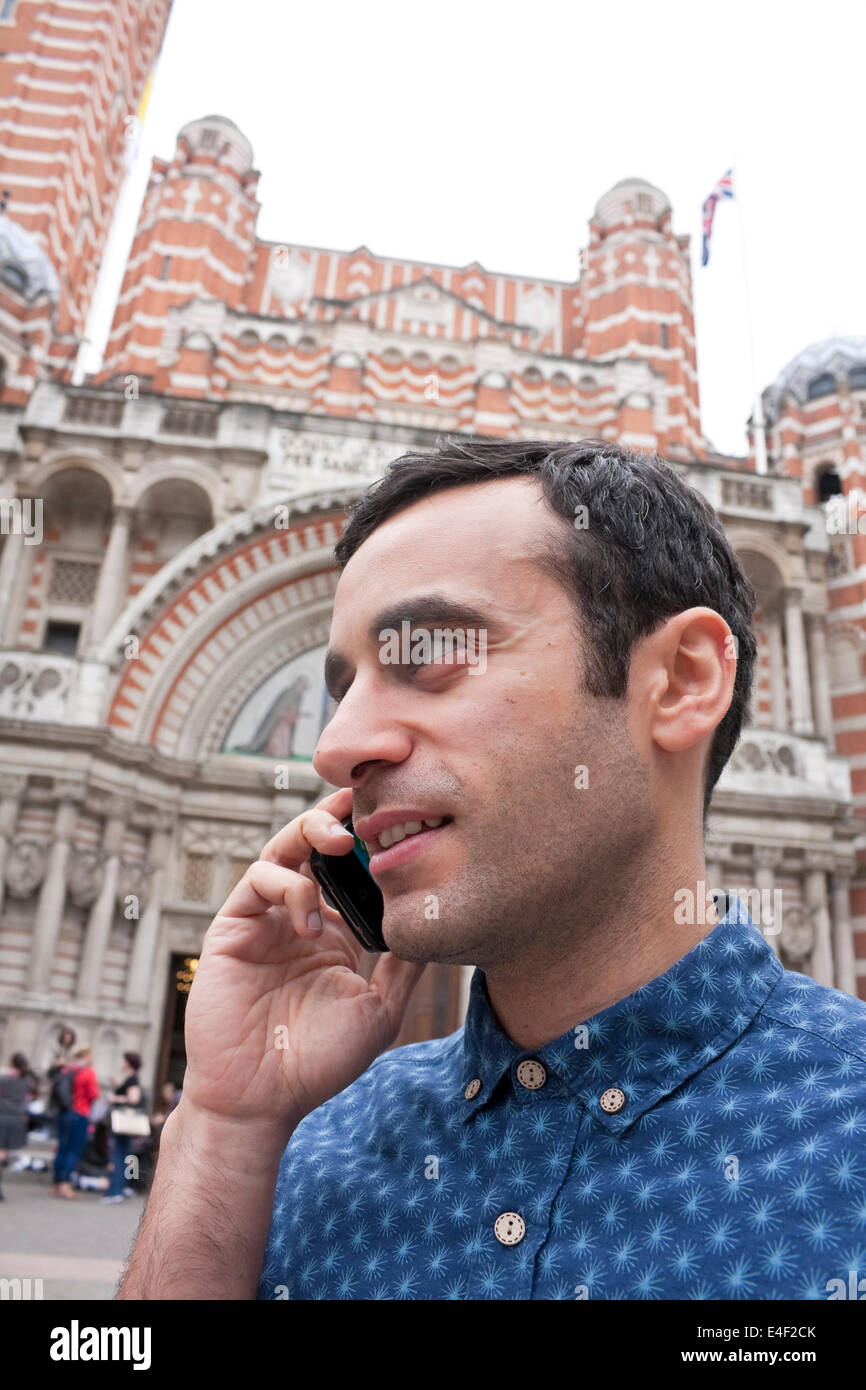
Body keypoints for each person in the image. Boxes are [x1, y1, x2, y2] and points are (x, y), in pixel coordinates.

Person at [118, 436, 866, 1301]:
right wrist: (222, 1124)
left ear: (681, 681)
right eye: (342, 687)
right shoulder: (293, 1153)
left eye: (429, 655)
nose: (335, 749)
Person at [53, 1045, 98, 1199]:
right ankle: (66, 1185)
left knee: (62, 1149)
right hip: (80, 1113)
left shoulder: (69, 1070)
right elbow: (94, 1094)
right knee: (74, 1150)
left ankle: (57, 1184)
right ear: (86, 1055)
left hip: (65, 1113)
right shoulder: (88, 1072)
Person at [101, 1051, 145, 1204]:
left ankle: (115, 1191)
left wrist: (115, 1098)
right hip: (125, 1123)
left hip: (124, 1122)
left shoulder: (132, 1079)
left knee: (119, 1156)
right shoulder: (130, 1079)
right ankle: (119, 1189)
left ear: (128, 1063)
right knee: (123, 1155)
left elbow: (134, 1099)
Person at [0, 1054, 33, 1200]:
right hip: (16, 1119)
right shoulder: (26, 1081)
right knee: (3, 1152)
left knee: (1, 1152)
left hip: (3, 1116)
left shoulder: (4, 1079)